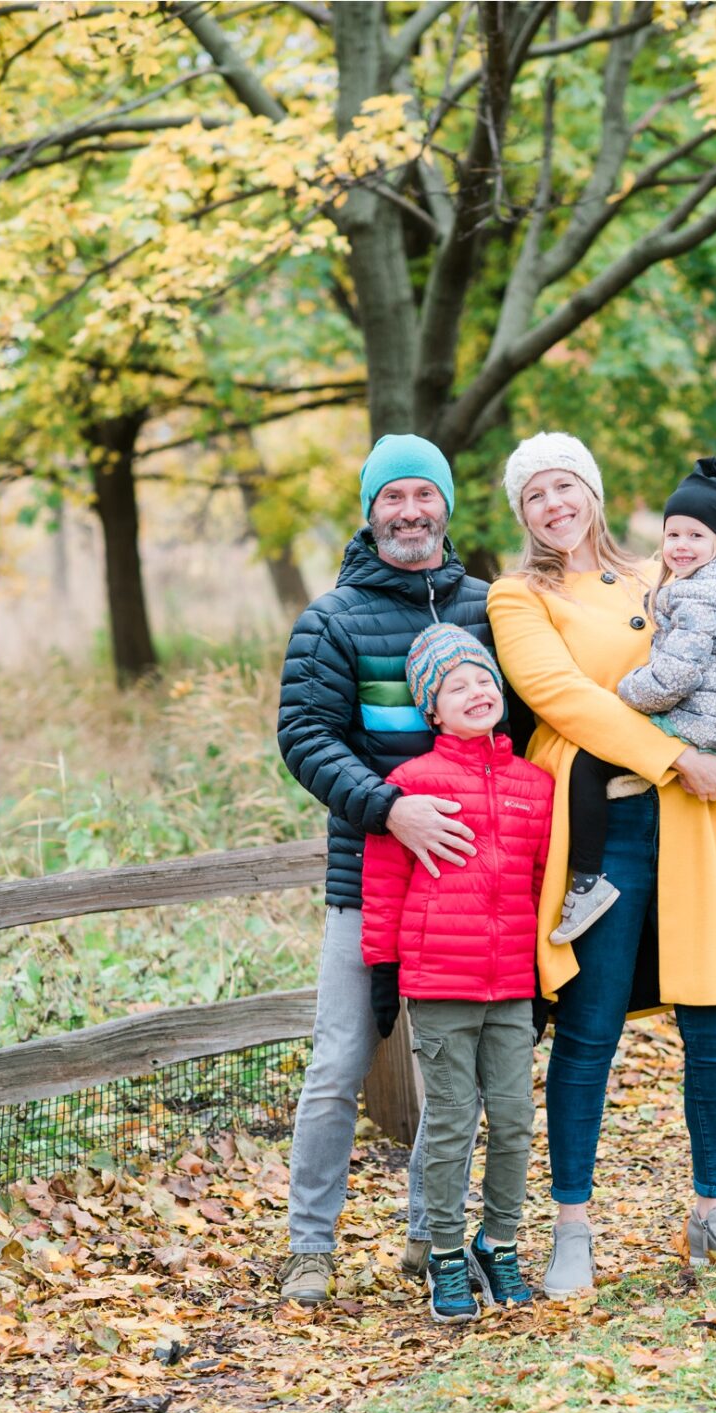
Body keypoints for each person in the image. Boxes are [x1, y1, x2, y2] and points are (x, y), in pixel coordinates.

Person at [486, 431, 716, 1300]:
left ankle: (715, 1212)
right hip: (600, 831)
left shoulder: (665, 572)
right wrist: (670, 757)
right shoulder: (518, 597)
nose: (555, 504)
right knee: (589, 1029)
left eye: (566, 486)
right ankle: (572, 1225)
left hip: (695, 822)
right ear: (523, 512)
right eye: (536, 494)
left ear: (593, 489)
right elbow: (561, 699)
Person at [276, 434, 493, 1305]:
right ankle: (309, 1249)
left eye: (423, 496)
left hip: (471, 881)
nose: (410, 513)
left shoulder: (487, 610)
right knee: (338, 1062)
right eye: (391, 498)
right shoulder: (330, 620)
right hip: (364, 879)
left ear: (446, 505)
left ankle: (429, 1238)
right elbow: (305, 737)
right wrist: (391, 808)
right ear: (370, 512)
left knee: (458, 1068)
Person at [361, 624, 553, 1322]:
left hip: (511, 986)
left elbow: (539, 885)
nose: (476, 690)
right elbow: (383, 885)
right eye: (455, 685)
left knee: (513, 1119)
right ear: (430, 710)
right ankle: (444, 1254)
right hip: (440, 985)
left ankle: (496, 1242)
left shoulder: (537, 785)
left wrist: (542, 982)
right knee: (449, 1122)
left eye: (484, 678)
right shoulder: (409, 787)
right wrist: (384, 970)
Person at [551, 457, 716, 944]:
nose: (681, 546)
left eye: (696, 537)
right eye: (673, 535)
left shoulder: (698, 596)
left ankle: (585, 882)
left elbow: (675, 675)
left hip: (710, 718)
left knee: (588, 764)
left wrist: (628, 692)